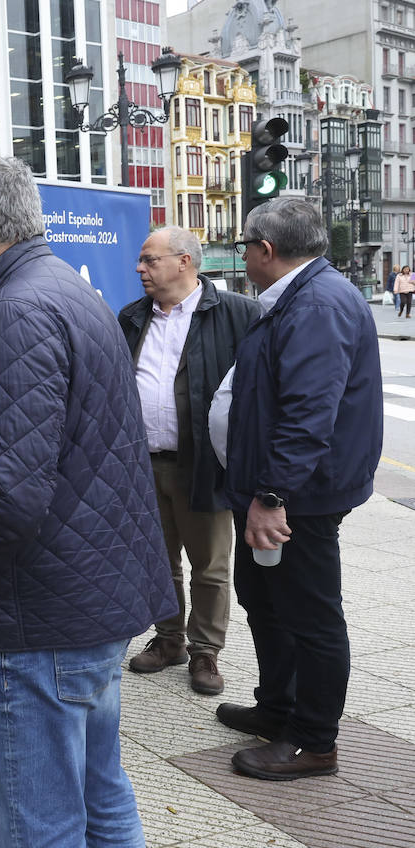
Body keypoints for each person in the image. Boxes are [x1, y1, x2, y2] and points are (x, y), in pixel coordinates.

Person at [0, 156, 176, 848]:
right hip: (78, 606)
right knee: (101, 801)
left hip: (32, 623)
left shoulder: (18, 309)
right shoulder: (62, 289)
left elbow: (6, 498)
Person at [210, 198, 382, 781]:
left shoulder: (317, 303)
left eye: (244, 248)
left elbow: (309, 413)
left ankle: (314, 742)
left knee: (310, 616)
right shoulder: (297, 298)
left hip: (297, 499)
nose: (244, 257)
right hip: (272, 489)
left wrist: (272, 495)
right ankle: (277, 708)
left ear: (265, 250)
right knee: (265, 601)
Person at [119, 227, 259, 696]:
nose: (140, 269)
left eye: (149, 260)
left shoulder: (237, 314)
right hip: (144, 463)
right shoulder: (132, 318)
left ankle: (205, 652)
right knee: (158, 562)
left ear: (184, 262)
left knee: (210, 564)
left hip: (205, 463)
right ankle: (169, 639)